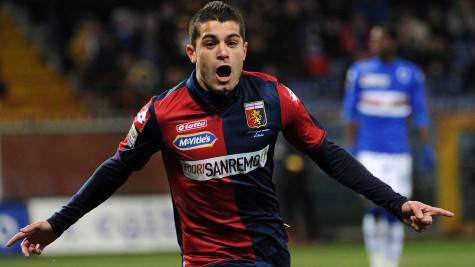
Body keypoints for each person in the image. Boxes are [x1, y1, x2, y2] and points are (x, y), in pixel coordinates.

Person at [7, 2, 453, 266]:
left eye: (231, 41)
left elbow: (328, 153)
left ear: (244, 49)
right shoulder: (163, 113)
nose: (222, 51)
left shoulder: (273, 97)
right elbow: (114, 170)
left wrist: (396, 202)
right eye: (210, 42)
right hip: (205, 260)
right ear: (191, 52)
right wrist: (59, 223)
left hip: (268, 253)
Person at [342, 25, 437, 267]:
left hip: (398, 154)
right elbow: (349, 113)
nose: (376, 44)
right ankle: (376, 262)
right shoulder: (359, 72)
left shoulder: (411, 73)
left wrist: (427, 146)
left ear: (392, 42)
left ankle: (391, 263)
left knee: (399, 210)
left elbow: (421, 114)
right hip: (368, 152)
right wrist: (351, 147)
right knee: (373, 208)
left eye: (381, 40)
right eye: (372, 40)